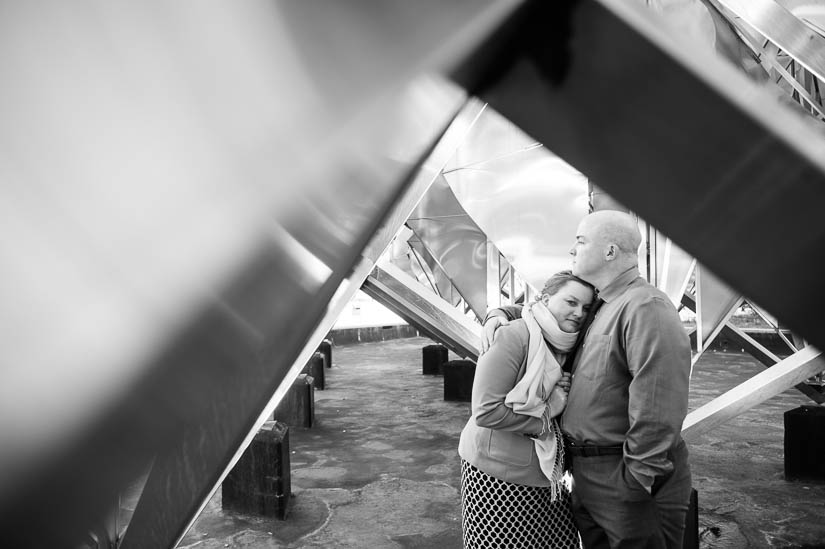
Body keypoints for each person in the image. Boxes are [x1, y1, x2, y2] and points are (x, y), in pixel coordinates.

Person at [481, 210, 693, 549]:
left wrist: (636, 481)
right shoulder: (599, 304)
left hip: (622, 475)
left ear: (609, 251)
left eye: (580, 241)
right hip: (586, 474)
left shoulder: (645, 307)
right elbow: (544, 308)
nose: (572, 250)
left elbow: (659, 405)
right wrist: (498, 314)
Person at [458, 270, 594, 549]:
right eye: (571, 302)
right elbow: (485, 411)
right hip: (496, 477)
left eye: (585, 307)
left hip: (549, 476)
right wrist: (547, 413)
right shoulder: (513, 335)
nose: (579, 313)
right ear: (545, 299)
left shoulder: (568, 341)